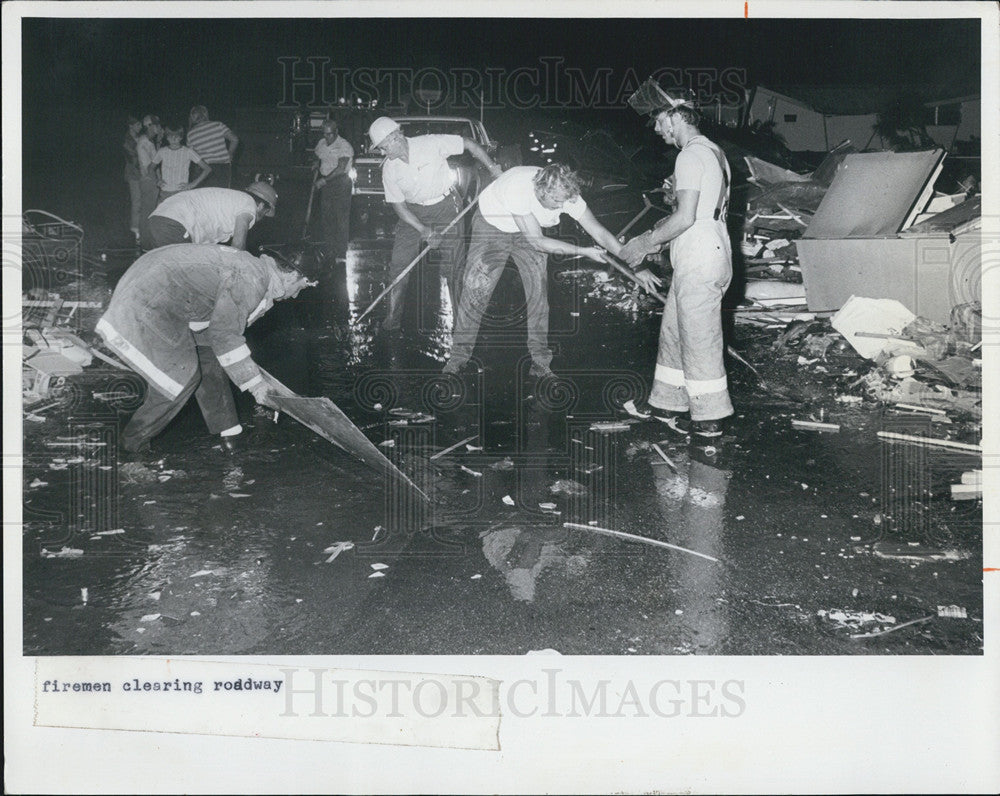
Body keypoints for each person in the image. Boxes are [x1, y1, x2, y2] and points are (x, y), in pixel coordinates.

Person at [95, 244, 319, 455]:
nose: (298, 294)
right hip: (148, 299)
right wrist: (256, 386)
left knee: (208, 355)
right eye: (304, 285)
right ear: (291, 275)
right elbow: (225, 335)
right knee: (181, 377)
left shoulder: (255, 271)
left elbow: (217, 335)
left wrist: (249, 375)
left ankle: (230, 433)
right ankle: (131, 445)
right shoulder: (252, 278)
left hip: (160, 290)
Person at [619, 79, 734, 440]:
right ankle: (667, 403)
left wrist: (645, 242)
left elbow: (685, 218)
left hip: (700, 251)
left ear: (675, 116)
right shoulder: (711, 151)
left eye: (658, 119)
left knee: (699, 336)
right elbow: (694, 206)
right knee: (674, 329)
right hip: (707, 249)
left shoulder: (689, 154)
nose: (656, 128)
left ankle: (710, 417)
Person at [443, 163, 622, 378]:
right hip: (493, 228)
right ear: (542, 191)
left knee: (538, 295)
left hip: (530, 231)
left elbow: (599, 232)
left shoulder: (566, 193)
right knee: (476, 293)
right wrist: (583, 251)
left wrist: (635, 263)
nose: (562, 206)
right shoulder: (517, 188)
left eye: (565, 200)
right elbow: (538, 242)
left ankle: (540, 363)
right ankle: (457, 359)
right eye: (557, 201)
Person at [368, 116, 503, 333]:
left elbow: (468, 143)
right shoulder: (389, 169)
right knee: (398, 267)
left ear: (395, 138)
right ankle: (392, 321)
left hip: (445, 207)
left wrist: (492, 167)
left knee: (454, 268)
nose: (383, 153)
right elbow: (399, 207)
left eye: (383, 147)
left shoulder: (430, 143)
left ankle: (463, 326)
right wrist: (423, 230)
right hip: (412, 214)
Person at [142, 183, 276, 251]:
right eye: (265, 214)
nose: (261, 219)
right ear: (260, 206)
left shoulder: (230, 201)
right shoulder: (248, 203)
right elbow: (238, 245)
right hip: (175, 225)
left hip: (156, 221)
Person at [313, 120, 354, 263]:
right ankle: (330, 250)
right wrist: (316, 164)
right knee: (327, 217)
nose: (326, 137)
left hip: (340, 183)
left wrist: (324, 181)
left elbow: (341, 168)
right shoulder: (322, 143)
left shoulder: (344, 146)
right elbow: (318, 156)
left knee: (341, 219)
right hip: (326, 183)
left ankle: (341, 254)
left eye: (329, 134)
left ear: (336, 132)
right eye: (324, 134)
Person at [152, 124, 212, 202]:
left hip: (181, 193)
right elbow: (151, 167)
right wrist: (157, 180)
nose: (173, 139)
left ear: (181, 137)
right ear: (166, 137)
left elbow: (207, 169)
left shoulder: (188, 151)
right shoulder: (162, 151)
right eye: (170, 136)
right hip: (165, 193)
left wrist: (193, 184)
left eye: (176, 136)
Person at [186, 105, 239, 189]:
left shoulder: (190, 134)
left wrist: (190, 126)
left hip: (204, 169)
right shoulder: (218, 125)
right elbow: (235, 139)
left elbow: (191, 154)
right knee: (221, 195)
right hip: (222, 166)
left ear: (192, 117)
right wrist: (230, 154)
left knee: (205, 197)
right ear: (206, 114)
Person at [136, 115, 163, 245]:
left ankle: (148, 241)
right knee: (148, 211)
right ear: (149, 126)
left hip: (152, 179)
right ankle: (146, 243)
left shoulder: (149, 142)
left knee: (151, 210)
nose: (159, 127)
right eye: (156, 125)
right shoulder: (144, 142)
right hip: (148, 179)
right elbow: (149, 166)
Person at [123, 114, 143, 244]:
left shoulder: (141, 138)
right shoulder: (127, 141)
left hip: (142, 173)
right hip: (133, 173)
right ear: (131, 126)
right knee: (136, 202)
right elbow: (133, 159)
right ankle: (136, 231)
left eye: (141, 124)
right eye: (137, 125)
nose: (140, 127)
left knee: (143, 201)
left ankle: (143, 228)